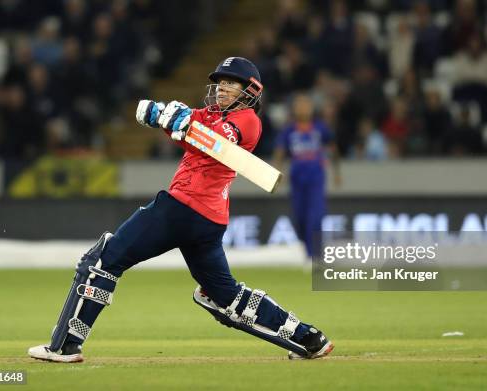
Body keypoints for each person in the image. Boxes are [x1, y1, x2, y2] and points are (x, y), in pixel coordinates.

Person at [28, 57, 334, 363]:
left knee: (103, 260)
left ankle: (65, 345)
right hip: (208, 220)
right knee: (222, 296)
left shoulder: (247, 120)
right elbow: (191, 133)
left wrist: (183, 124)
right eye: (220, 83)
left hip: (183, 207)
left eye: (230, 84)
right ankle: (308, 338)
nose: (222, 89)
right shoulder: (213, 115)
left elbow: (212, 142)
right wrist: (162, 116)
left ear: (250, 91)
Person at [273, 93, 340, 259]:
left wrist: (336, 172)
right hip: (297, 179)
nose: (303, 108)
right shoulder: (289, 130)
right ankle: (306, 249)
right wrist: (277, 174)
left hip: (316, 178)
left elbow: (333, 149)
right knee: (300, 217)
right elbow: (280, 152)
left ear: (311, 108)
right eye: (299, 105)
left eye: (306, 104)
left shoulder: (320, 128)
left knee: (315, 216)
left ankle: (314, 254)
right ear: (294, 109)